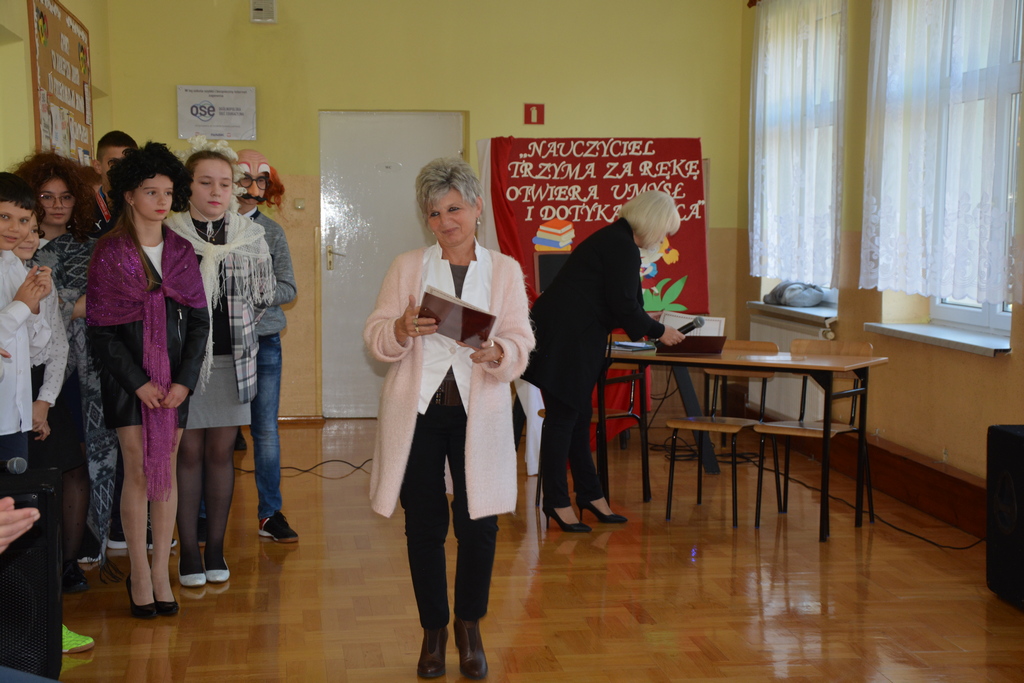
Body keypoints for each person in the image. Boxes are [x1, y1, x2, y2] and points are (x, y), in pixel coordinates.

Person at [363, 157, 534, 680]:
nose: (445, 222)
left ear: (477, 207)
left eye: (454, 209)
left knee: (479, 525)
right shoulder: (408, 266)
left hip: (478, 414)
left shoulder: (504, 270)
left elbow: (521, 340)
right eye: (435, 213)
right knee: (424, 525)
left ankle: (469, 627)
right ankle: (433, 631)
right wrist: (399, 329)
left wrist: (500, 353)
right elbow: (375, 336)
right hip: (418, 414)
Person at [86, 142, 209, 618]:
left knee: (167, 471)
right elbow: (101, 329)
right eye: (150, 191)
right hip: (129, 384)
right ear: (129, 195)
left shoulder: (182, 252)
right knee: (139, 471)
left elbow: (199, 323)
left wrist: (184, 381)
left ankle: (162, 571)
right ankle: (139, 571)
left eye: (168, 192)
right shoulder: (110, 252)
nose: (161, 200)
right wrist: (138, 382)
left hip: (175, 385)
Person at [523, 190, 685, 532]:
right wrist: (659, 331)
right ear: (653, 222)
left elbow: (618, 301)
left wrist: (647, 321)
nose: (663, 239)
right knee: (563, 420)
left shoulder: (616, 239)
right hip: (565, 341)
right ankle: (556, 501)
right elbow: (623, 305)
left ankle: (590, 495)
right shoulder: (621, 244)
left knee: (578, 418)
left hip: (570, 338)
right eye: (664, 231)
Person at [166, 135, 275, 588]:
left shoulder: (250, 235)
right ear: (187, 186)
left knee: (220, 454)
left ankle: (216, 548)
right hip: (184, 364)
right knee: (188, 453)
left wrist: (237, 325)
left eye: (225, 184)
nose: (216, 191)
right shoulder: (169, 232)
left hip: (233, 360)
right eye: (205, 182)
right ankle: (189, 552)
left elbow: (263, 297)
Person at [0, 174, 93, 657]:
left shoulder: (22, 270)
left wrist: (36, 303)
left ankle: (36, 627)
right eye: (6, 218)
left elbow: (42, 345)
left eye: (25, 222)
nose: (17, 230)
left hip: (16, 419)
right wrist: (22, 306)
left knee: (21, 526)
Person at [13, 153, 121, 560]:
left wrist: (69, 305)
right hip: (32, 374)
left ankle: (76, 554)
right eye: (46, 196)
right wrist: (78, 305)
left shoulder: (94, 248)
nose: (57, 205)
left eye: (66, 197)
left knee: (81, 460)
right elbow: (26, 314)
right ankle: (37, 559)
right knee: (41, 467)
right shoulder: (17, 251)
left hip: (86, 371)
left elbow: (114, 304)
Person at [14, 217, 88, 594]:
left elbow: (58, 345)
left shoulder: (42, 275)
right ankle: (25, 574)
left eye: (33, 229)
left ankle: (66, 565)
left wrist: (43, 402)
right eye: (15, 224)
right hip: (9, 388)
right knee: (19, 480)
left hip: (42, 387)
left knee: (70, 469)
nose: (29, 237)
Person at [235, 149, 298, 543]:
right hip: (220, 346)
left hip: (264, 343)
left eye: (261, 180)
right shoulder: (206, 228)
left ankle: (270, 513)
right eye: (245, 178)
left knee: (265, 430)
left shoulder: (271, 232)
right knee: (214, 433)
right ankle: (205, 514)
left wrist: (258, 291)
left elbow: (289, 288)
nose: (252, 187)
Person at [91, 131, 138, 237]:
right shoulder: (84, 211)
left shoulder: (145, 207)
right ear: (98, 166)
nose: (122, 169)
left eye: (128, 163)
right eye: (114, 163)